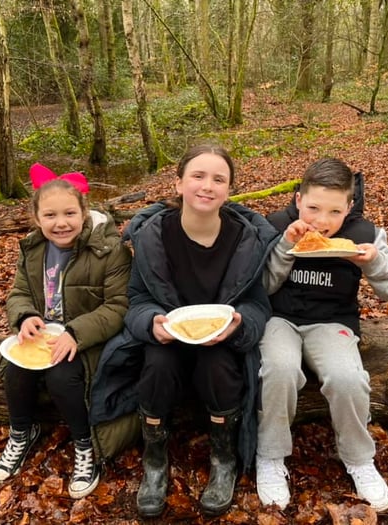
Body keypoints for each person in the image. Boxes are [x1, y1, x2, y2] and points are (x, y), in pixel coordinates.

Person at [89, 144, 280, 518]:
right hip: (170, 339)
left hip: (218, 340)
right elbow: (137, 299)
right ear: (178, 184)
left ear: (228, 190)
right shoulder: (152, 236)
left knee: (218, 363)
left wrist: (241, 323)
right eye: (198, 176)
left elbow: (258, 304)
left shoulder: (246, 239)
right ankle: (155, 460)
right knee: (157, 363)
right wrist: (150, 323)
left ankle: (223, 458)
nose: (207, 186)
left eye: (218, 179)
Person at [256, 157, 388, 512]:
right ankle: (270, 455)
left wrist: (373, 261)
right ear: (298, 200)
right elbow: (261, 287)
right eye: (312, 209)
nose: (321, 222)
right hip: (280, 319)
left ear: (349, 206)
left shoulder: (364, 234)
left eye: (333, 212)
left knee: (347, 378)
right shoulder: (275, 225)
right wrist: (284, 248)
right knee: (278, 369)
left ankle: (359, 459)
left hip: (332, 322)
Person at [0, 163, 132, 500]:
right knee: (14, 369)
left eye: (70, 213)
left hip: (92, 337)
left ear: (84, 212)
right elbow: (19, 293)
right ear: (37, 218)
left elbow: (119, 306)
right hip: (45, 334)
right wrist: (24, 317)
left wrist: (76, 332)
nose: (61, 223)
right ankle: (22, 431)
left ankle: (85, 446)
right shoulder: (33, 249)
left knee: (61, 376)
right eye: (50, 215)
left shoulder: (108, 250)